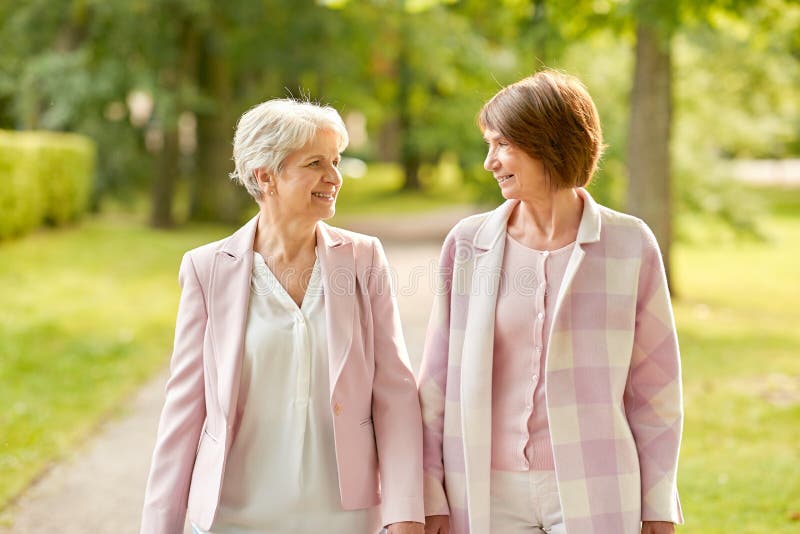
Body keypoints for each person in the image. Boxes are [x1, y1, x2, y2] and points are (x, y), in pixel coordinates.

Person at [141, 99, 424, 534]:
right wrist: (159, 526)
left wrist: (406, 512)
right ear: (265, 175)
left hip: (343, 519)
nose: (334, 177)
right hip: (233, 519)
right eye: (315, 163)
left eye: (335, 161)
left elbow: (396, 392)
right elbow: (184, 409)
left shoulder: (364, 259)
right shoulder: (206, 268)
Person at [418, 71, 684, 534]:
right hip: (484, 491)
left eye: (502, 145)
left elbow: (656, 391)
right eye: (489, 145)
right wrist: (429, 491)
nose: (490, 162)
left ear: (549, 142)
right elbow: (436, 384)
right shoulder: (468, 244)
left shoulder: (629, 244)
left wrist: (658, 504)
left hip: (594, 486)